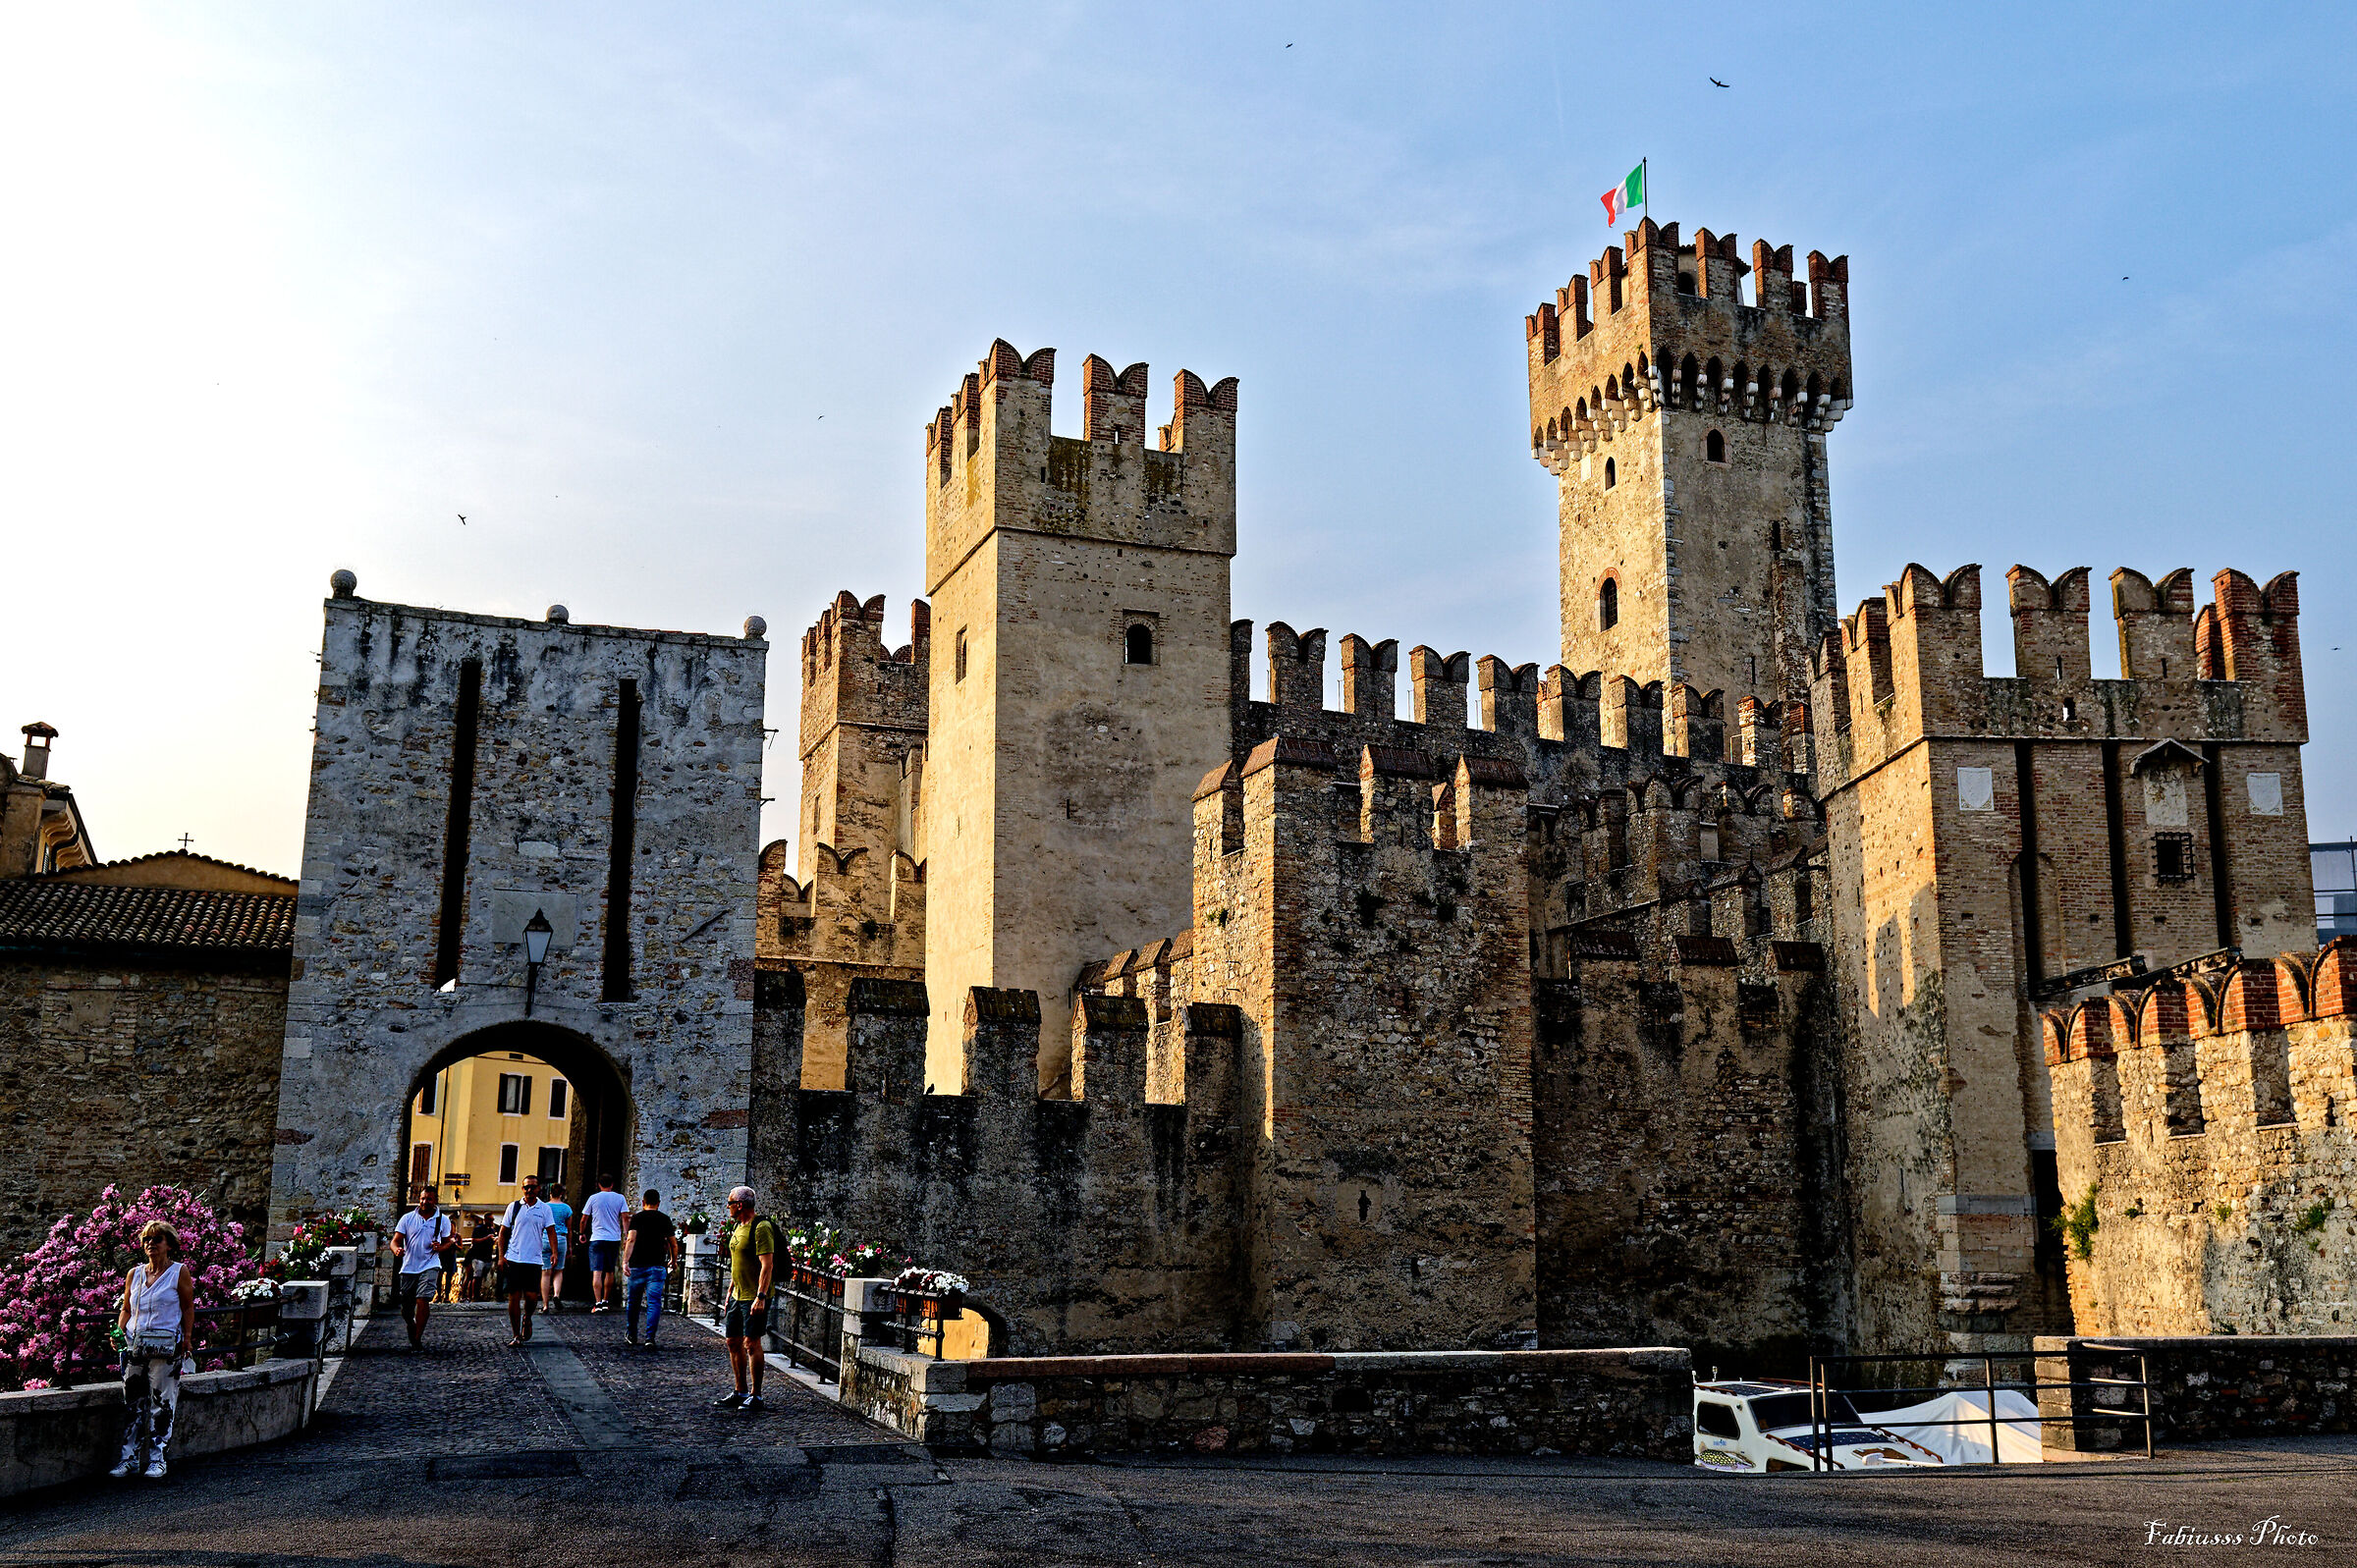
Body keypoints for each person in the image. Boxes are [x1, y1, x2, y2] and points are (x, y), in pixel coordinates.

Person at [110, 1219, 195, 1481]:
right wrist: (118, 1332)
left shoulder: (178, 1272)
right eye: (147, 1239)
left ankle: (157, 1459)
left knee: (162, 1403)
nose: (150, 1244)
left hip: (164, 1346)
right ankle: (129, 1459)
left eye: (157, 1239)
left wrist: (188, 1338)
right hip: (134, 1346)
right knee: (132, 1403)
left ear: (169, 1244)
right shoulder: (134, 1274)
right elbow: (126, 1309)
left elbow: (187, 1307)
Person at [715, 1186, 776, 1412]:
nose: (728, 1207)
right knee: (732, 1341)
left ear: (739, 1205)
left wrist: (760, 1297)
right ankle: (740, 1390)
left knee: (751, 1343)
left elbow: (767, 1265)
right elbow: (737, 1263)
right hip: (737, 1294)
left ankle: (756, 1395)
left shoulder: (761, 1228)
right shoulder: (738, 1227)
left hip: (753, 1296)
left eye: (730, 1203)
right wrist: (730, 1289)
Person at [390, 1185, 456, 1350]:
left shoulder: (443, 1220)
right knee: (406, 1309)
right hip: (409, 1266)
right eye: (423, 1198)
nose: (425, 1202)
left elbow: (449, 1242)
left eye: (429, 1199)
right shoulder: (407, 1218)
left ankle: (417, 1339)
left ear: (435, 1201)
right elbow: (395, 1240)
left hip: (430, 1264)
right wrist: (396, 1250)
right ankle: (411, 1325)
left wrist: (440, 1247)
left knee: (423, 1299)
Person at [497, 1175, 557, 1347]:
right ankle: (516, 1334)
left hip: (534, 1259)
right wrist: (501, 1257)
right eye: (526, 1187)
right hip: (514, 1258)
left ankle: (528, 1317)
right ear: (522, 1189)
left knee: (531, 1297)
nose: (529, 1190)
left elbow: (551, 1231)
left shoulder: (544, 1209)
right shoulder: (514, 1207)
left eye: (533, 1187)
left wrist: (554, 1253)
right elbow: (503, 1232)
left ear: (539, 1189)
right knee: (513, 1297)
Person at [621, 1188, 677, 1350]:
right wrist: (673, 1260)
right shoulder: (664, 1219)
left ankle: (631, 1334)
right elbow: (673, 1243)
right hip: (657, 1266)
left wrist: (625, 1261)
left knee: (634, 1302)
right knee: (654, 1303)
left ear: (643, 1202)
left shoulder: (637, 1218)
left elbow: (631, 1239)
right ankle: (650, 1338)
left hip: (638, 1265)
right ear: (658, 1203)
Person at [579, 1174, 630, 1314]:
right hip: (613, 1238)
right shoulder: (620, 1198)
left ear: (599, 1184)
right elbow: (625, 1217)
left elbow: (584, 1219)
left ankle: (597, 1303)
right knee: (609, 1271)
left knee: (597, 1271)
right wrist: (627, 1235)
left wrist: (582, 1233)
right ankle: (606, 1301)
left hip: (597, 1238)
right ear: (612, 1184)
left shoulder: (593, 1198)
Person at [541, 1184, 574, 1314]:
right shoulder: (567, 1208)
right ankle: (556, 1295)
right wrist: (570, 1246)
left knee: (545, 1272)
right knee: (559, 1270)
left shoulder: (544, 1207)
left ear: (550, 1193)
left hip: (545, 1238)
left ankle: (545, 1305)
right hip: (560, 1239)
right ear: (561, 1194)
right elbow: (570, 1229)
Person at [463, 1213, 496, 1302]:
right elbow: (473, 1240)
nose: (492, 1222)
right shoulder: (478, 1229)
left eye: (493, 1220)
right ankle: (472, 1296)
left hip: (487, 1257)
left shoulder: (492, 1230)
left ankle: (473, 1295)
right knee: (475, 1277)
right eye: (490, 1220)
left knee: (479, 1277)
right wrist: (486, 1238)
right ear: (485, 1220)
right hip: (476, 1256)